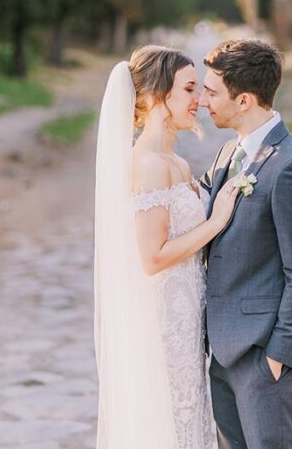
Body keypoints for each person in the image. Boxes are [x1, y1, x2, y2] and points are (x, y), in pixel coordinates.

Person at [94, 45, 239, 448]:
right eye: (190, 89)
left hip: (186, 320)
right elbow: (152, 257)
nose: (200, 100)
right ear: (158, 96)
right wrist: (215, 223)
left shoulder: (175, 161)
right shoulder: (148, 165)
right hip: (163, 324)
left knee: (189, 423)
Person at [198, 39, 292, 448]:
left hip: (260, 356)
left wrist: (278, 356)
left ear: (245, 100)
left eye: (212, 92)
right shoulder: (225, 156)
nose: (203, 100)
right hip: (220, 354)